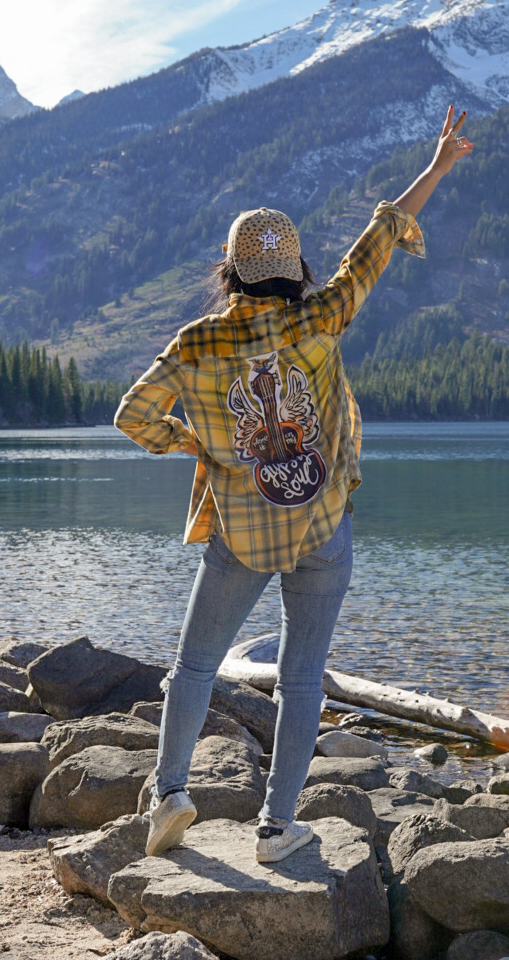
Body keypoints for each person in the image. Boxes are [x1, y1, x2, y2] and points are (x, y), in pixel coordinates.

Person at [114, 104, 474, 863]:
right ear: (294, 267)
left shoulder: (195, 342)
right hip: (321, 523)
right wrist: (437, 166)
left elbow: (131, 416)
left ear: (230, 268)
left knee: (193, 667)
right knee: (302, 677)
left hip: (240, 533)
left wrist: (196, 447)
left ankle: (169, 795)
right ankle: (277, 827)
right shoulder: (323, 314)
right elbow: (377, 238)